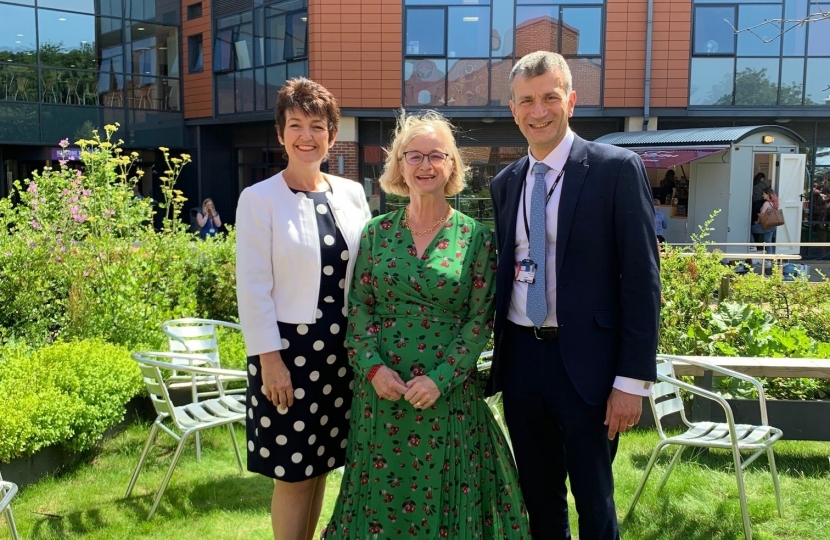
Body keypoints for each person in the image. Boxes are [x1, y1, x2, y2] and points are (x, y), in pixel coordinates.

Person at [323, 110, 529, 539]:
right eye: (413, 156)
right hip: (382, 398)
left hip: (446, 398)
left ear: (452, 164)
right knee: (380, 502)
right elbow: (357, 309)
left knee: (446, 498)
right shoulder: (376, 233)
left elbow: (480, 320)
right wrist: (374, 370)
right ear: (398, 165)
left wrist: (439, 379)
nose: (424, 165)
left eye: (436, 155)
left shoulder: (477, 238)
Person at [487, 51, 661, 540]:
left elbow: (643, 279)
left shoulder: (615, 169)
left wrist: (632, 380)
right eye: (526, 100)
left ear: (571, 101)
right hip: (523, 358)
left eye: (549, 97)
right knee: (538, 498)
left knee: (594, 500)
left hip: (591, 366)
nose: (538, 110)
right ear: (513, 108)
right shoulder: (505, 183)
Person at [235, 77, 371, 540]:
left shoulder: (351, 194)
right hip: (288, 356)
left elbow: (365, 270)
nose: (306, 136)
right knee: (293, 472)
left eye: (317, 126)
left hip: (344, 353)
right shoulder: (258, 200)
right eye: (296, 125)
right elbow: (252, 288)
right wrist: (268, 362)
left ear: (332, 135)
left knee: (320, 467)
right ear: (280, 133)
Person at [751, 187, 779, 268]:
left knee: (749, 230)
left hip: (765, 226)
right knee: (768, 242)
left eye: (763, 194)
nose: (762, 195)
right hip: (772, 226)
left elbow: (762, 214)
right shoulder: (775, 203)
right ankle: (768, 261)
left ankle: (752, 246)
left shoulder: (766, 203)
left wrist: (757, 222)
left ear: (767, 194)